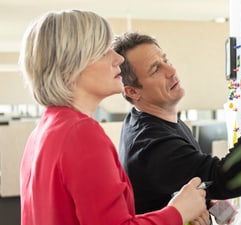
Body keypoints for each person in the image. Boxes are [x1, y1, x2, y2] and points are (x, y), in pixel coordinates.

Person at [19, 10, 207, 225]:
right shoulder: (80, 133)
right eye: (102, 51)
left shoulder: (41, 132)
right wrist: (178, 211)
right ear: (69, 70)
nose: (117, 58)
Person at [112, 32, 241, 215]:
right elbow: (229, 179)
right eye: (155, 70)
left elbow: (197, 180)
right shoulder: (152, 146)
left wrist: (226, 216)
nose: (171, 71)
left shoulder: (149, 118)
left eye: (165, 60)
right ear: (133, 92)